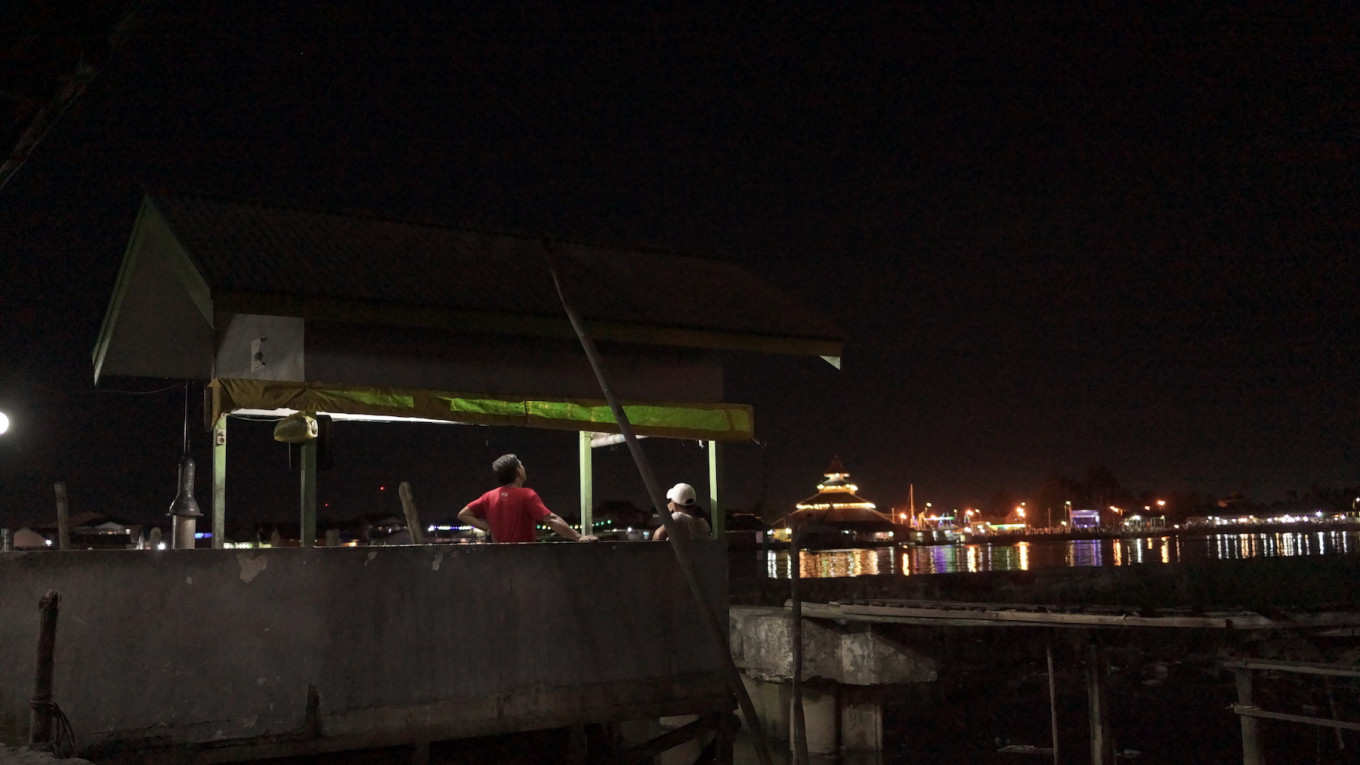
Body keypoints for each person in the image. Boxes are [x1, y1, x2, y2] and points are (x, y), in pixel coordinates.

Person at [457, 454, 598, 543]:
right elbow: (551, 520)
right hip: (524, 558)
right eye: (521, 464)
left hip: (500, 559)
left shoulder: (489, 496)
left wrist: (489, 529)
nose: (524, 467)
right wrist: (578, 537)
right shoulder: (527, 495)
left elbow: (463, 514)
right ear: (518, 470)